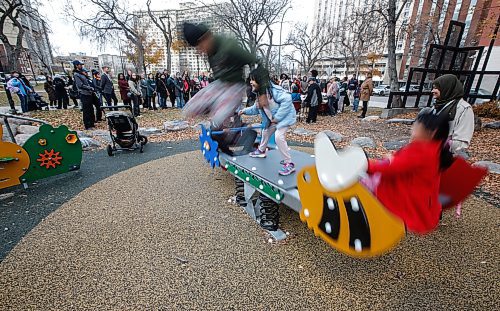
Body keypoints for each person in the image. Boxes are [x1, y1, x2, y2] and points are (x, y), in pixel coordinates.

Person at [365, 111, 452, 234]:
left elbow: (393, 168)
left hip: (406, 194)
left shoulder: (421, 151)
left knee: (364, 184)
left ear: (431, 133)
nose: (413, 129)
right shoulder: (435, 148)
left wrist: (366, 165)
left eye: (417, 127)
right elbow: (405, 162)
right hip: (422, 195)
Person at [181, 22, 257, 127]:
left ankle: (233, 130)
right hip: (221, 84)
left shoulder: (229, 47)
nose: (199, 51)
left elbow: (256, 62)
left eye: (200, 46)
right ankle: (225, 126)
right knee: (189, 109)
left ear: (206, 37)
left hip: (235, 86)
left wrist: (261, 92)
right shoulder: (210, 52)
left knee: (218, 118)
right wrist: (209, 105)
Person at [239, 66, 297, 176]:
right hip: (273, 120)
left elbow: (287, 100)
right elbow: (256, 108)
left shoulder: (274, 91)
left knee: (278, 137)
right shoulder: (261, 94)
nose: (251, 82)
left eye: (253, 79)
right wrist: (244, 111)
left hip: (284, 118)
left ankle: (289, 163)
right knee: (265, 131)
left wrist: (278, 118)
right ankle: (261, 151)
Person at [430, 74, 474, 154]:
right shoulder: (436, 106)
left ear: (446, 88)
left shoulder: (464, 109)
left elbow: (461, 143)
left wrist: (438, 144)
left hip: (446, 157)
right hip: (430, 153)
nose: (432, 91)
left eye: (436, 88)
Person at [72, 60, 96, 129]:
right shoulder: (76, 74)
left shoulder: (81, 73)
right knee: (86, 110)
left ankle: (92, 123)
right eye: (80, 65)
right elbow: (80, 85)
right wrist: (89, 88)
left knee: (91, 109)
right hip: (84, 94)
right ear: (76, 65)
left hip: (89, 93)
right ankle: (87, 125)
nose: (81, 66)